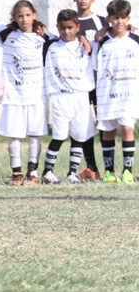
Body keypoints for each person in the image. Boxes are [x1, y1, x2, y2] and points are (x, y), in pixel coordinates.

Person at [0, 0, 51, 186]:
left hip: (36, 94)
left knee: (35, 135)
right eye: (20, 16)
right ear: (15, 17)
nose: (24, 19)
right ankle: (17, 172)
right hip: (14, 94)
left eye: (28, 15)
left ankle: (32, 171)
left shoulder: (44, 36)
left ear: (34, 15)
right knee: (14, 135)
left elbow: (65, 37)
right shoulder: (7, 34)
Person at [41, 10, 95, 184]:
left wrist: (84, 39)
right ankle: (47, 172)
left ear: (77, 28)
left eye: (70, 28)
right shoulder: (51, 46)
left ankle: (72, 173)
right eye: (62, 28)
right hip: (60, 97)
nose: (66, 31)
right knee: (59, 135)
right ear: (57, 28)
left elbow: (102, 37)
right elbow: (38, 31)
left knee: (79, 136)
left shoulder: (84, 47)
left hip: (80, 96)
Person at [92, 0, 138, 183]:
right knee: (108, 131)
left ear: (128, 18)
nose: (120, 22)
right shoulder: (101, 41)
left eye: (123, 18)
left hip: (129, 94)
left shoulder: (135, 39)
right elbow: (94, 66)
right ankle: (109, 171)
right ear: (108, 18)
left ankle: (128, 171)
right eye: (116, 18)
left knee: (127, 128)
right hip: (107, 94)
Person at [73, 0, 107, 180]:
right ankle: (91, 167)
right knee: (84, 124)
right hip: (79, 83)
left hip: (100, 80)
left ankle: (108, 166)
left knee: (103, 124)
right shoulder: (69, 22)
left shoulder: (101, 22)